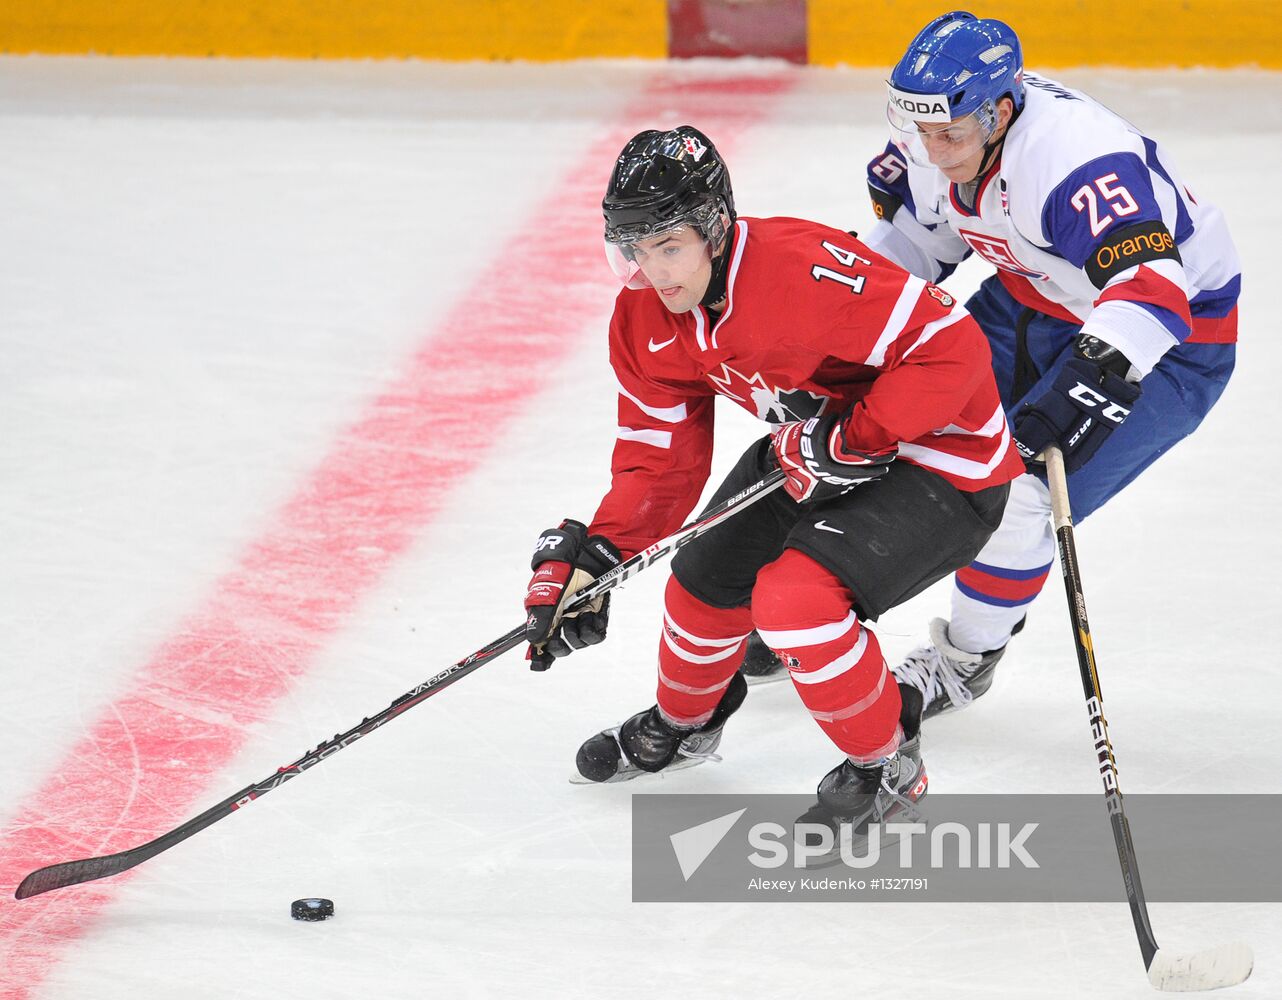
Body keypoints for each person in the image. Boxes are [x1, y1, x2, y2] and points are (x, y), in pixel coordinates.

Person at [520, 125, 1024, 826]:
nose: (655, 271)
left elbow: (951, 347)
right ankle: (688, 723)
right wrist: (600, 554)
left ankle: (887, 765)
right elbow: (659, 457)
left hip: (943, 458)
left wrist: (859, 434)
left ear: (715, 229)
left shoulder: (801, 271)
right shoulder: (643, 319)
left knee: (796, 603)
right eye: (635, 249)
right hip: (816, 447)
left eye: (669, 246)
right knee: (703, 580)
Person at [842, 11, 1240, 718]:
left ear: (999, 112)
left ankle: (967, 660)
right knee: (885, 426)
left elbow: (1156, 295)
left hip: (1171, 344)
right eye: (923, 134)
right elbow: (921, 240)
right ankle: (829, 599)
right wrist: (845, 330)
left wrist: (1082, 391)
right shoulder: (937, 128)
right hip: (1032, 300)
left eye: (951, 137)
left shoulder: (1074, 163)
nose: (933, 153)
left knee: (1018, 494)